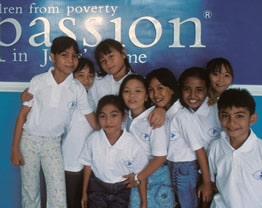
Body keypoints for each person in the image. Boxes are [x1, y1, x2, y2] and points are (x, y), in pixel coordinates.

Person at [10, 36, 97, 208]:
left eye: (74, 56)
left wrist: (109, 132)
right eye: (64, 55)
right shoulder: (38, 82)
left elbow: (91, 118)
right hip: (29, 142)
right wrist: (14, 150)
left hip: (52, 144)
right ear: (52, 57)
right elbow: (22, 116)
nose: (70, 60)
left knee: (58, 194)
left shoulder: (76, 88)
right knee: (30, 191)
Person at [208, 88, 262, 208]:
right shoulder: (215, 148)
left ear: (252, 119)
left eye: (239, 116)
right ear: (219, 116)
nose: (232, 122)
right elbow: (211, 182)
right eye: (225, 115)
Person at [80, 95, 148, 208]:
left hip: (122, 189)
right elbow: (87, 165)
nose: (108, 121)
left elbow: (141, 173)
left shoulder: (132, 144)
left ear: (123, 117)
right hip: (97, 187)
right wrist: (84, 193)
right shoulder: (93, 139)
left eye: (114, 115)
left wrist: (144, 203)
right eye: (103, 116)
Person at [119, 74, 175, 208]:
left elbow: (160, 157)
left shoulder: (154, 119)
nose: (132, 96)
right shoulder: (124, 118)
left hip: (154, 177)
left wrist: (138, 177)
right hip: (136, 177)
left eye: (138, 91)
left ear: (146, 96)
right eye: (127, 91)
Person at [88, 39, 164, 128]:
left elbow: (154, 103)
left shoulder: (139, 82)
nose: (108, 63)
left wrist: (161, 109)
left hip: (133, 134)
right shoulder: (96, 82)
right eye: (103, 61)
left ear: (123, 53)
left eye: (111, 56)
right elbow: (90, 110)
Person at [167, 67, 214, 207]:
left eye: (199, 90)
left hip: (185, 169)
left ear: (207, 91)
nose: (192, 95)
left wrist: (207, 183)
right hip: (174, 166)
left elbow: (199, 150)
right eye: (187, 89)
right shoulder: (181, 112)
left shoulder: (183, 117)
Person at [61, 57, 97, 208]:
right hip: (69, 164)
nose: (86, 80)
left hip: (89, 166)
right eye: (81, 75)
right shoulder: (66, 99)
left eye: (90, 76)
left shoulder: (93, 101)